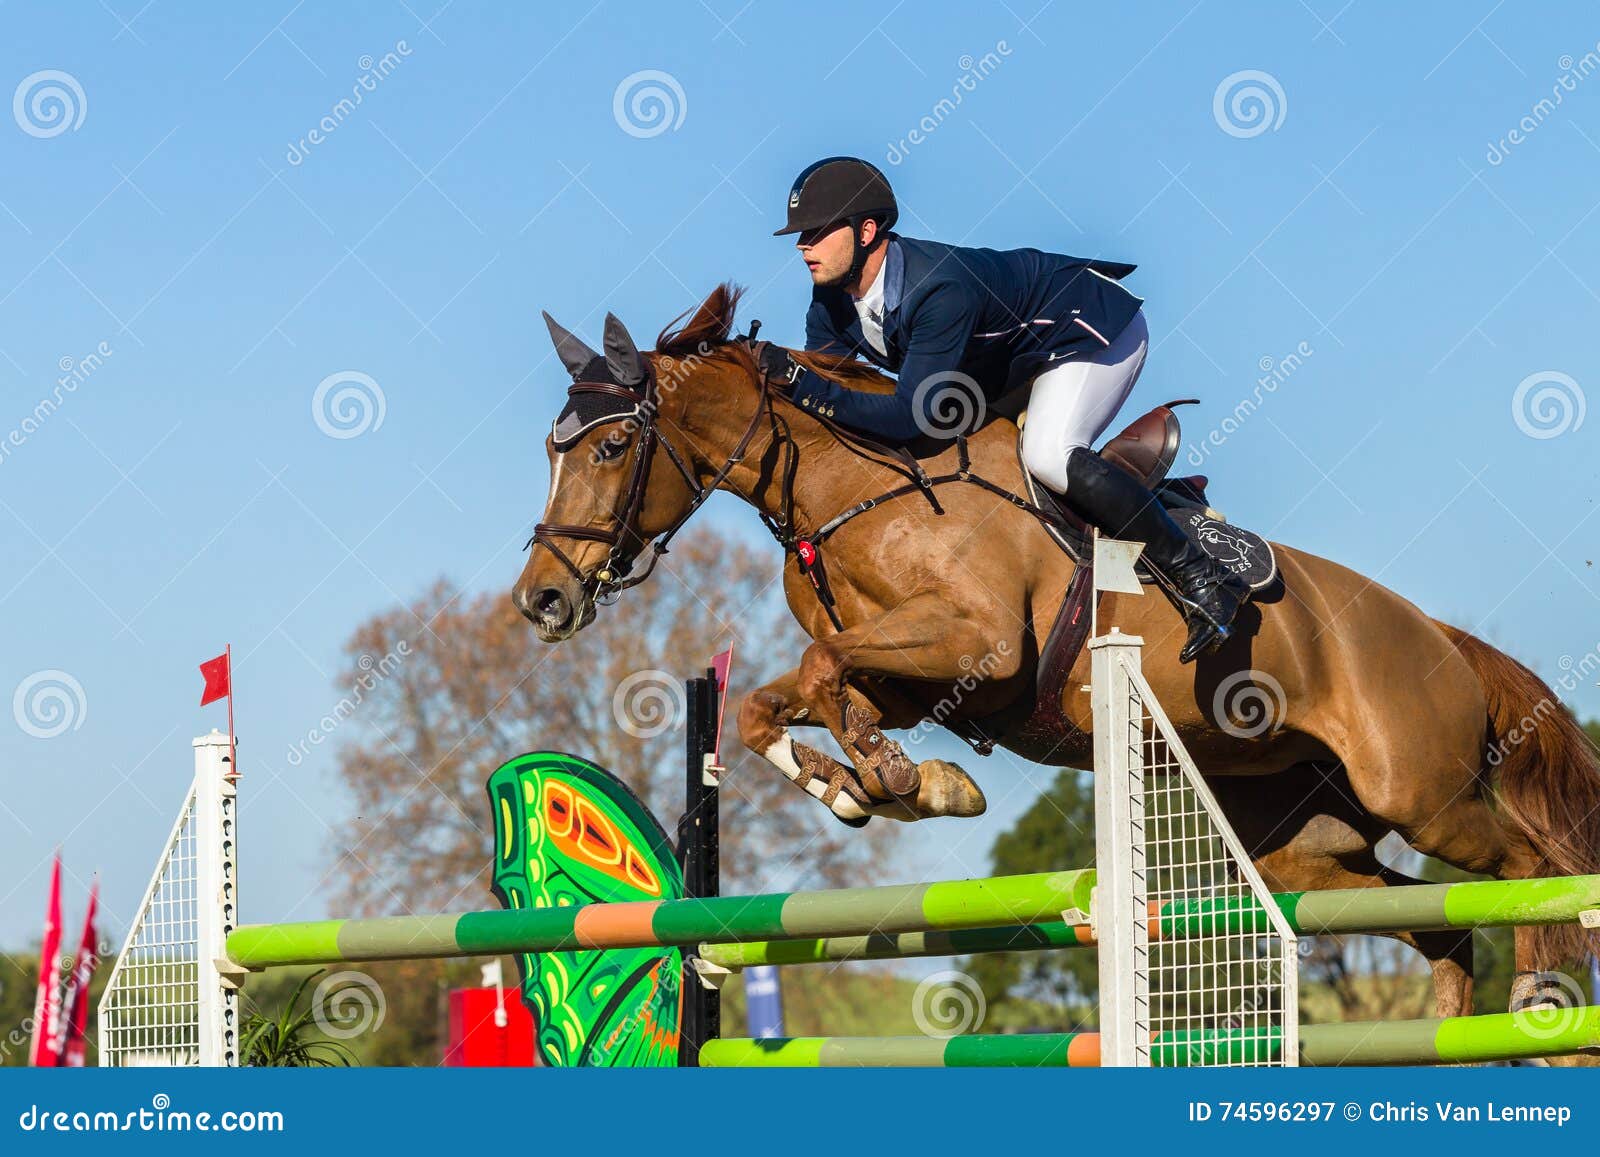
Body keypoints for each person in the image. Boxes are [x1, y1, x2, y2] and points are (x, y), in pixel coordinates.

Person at [762, 156, 1247, 662]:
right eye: (800, 235)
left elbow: (907, 415)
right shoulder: (829, 305)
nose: (802, 245)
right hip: (1004, 361)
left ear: (866, 231)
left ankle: (1204, 577)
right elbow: (830, 401)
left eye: (815, 232)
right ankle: (1141, 503)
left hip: (1084, 332)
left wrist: (802, 385)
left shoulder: (937, 289)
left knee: (1047, 454)